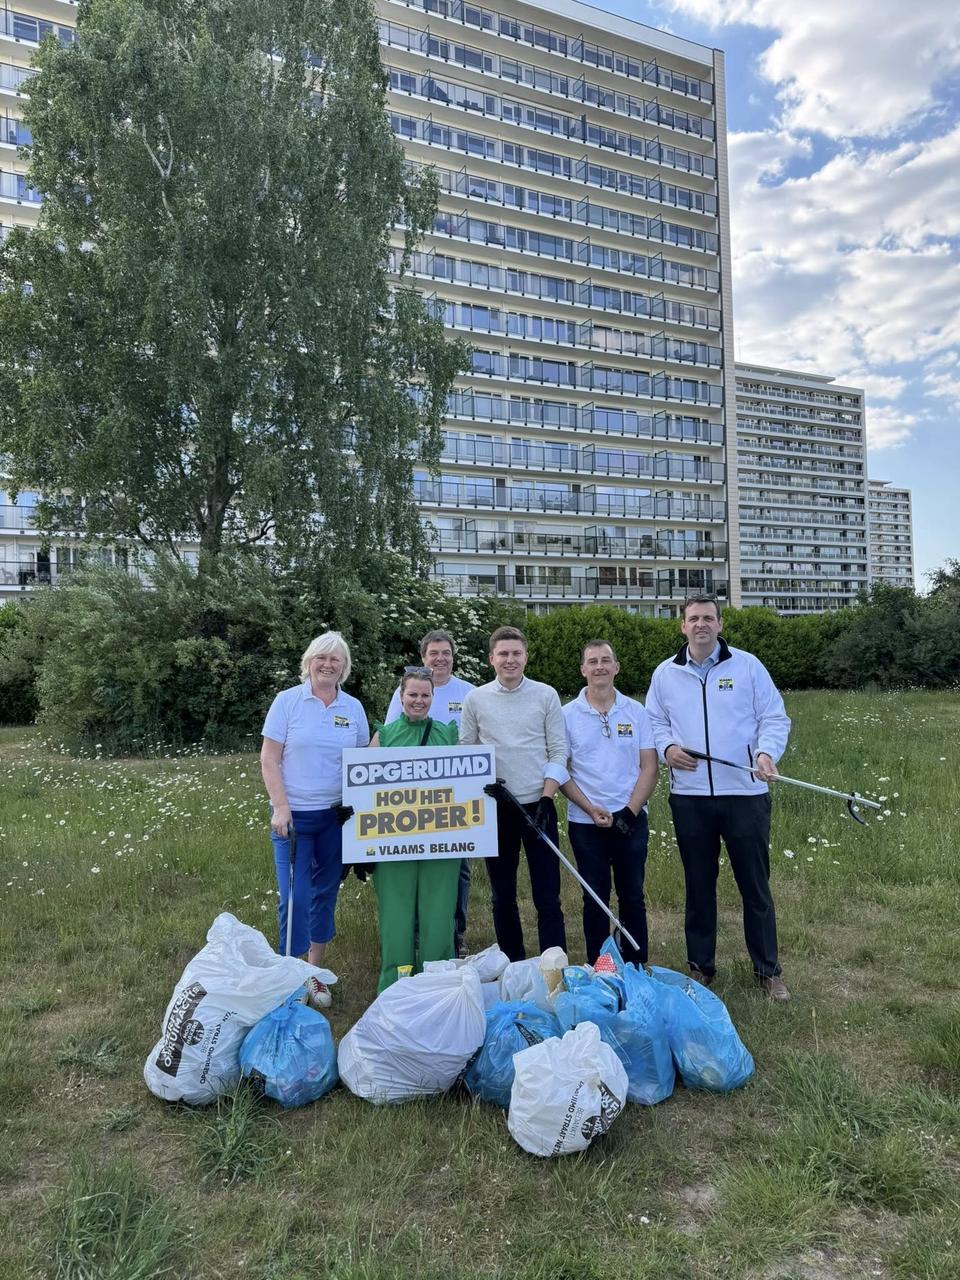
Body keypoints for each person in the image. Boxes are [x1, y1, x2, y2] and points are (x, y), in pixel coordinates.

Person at [644, 594, 792, 1001]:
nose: (701, 624)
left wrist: (766, 753)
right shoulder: (665, 674)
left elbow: (774, 716)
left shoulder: (747, 666)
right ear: (683, 626)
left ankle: (768, 970)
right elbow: (654, 721)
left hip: (745, 792)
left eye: (708, 618)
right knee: (698, 885)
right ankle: (700, 967)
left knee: (755, 886)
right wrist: (668, 748)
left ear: (720, 624)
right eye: (693, 618)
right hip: (691, 797)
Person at [260, 631, 369, 1007]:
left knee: (325, 895)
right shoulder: (287, 702)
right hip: (294, 820)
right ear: (308, 661)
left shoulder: (352, 708)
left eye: (335, 660)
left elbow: (363, 766)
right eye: (321, 658)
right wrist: (280, 805)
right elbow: (269, 758)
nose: (327, 664)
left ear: (344, 667)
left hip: (335, 819)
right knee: (295, 898)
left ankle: (314, 974)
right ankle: (289, 978)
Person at [459, 625, 568, 961]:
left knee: (547, 893)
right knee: (501, 894)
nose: (510, 660)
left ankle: (554, 961)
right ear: (491, 658)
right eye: (503, 654)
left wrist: (548, 798)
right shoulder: (475, 698)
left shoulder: (546, 695)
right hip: (496, 807)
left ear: (525, 656)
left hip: (539, 805)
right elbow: (466, 749)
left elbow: (559, 750)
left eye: (516, 653)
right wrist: (483, 783)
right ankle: (513, 961)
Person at [561, 639, 659, 966]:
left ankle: (634, 964)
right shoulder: (566, 716)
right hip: (586, 824)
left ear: (616, 667)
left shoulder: (637, 711)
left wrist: (629, 812)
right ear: (583, 670)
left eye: (606, 660)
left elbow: (649, 766)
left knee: (633, 897)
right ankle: (599, 966)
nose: (599, 666)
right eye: (592, 661)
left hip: (630, 820)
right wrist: (590, 809)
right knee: (595, 899)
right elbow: (561, 770)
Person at [385, 629, 475, 956]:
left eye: (445, 653)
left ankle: (455, 936)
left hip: (456, 799)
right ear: (423, 657)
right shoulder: (404, 692)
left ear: (453, 656)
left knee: (458, 872)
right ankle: (416, 936)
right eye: (433, 653)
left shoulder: (469, 692)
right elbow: (388, 743)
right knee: (415, 870)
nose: (440, 658)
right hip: (412, 800)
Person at [369, 666, 460, 991]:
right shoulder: (385, 735)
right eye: (413, 694)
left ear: (433, 697)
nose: (419, 701)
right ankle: (397, 986)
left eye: (425, 695)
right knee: (396, 918)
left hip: (441, 841)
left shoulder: (447, 734)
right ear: (401, 696)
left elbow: (463, 783)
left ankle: (438, 984)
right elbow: (366, 790)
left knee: (438, 917)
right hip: (394, 843)